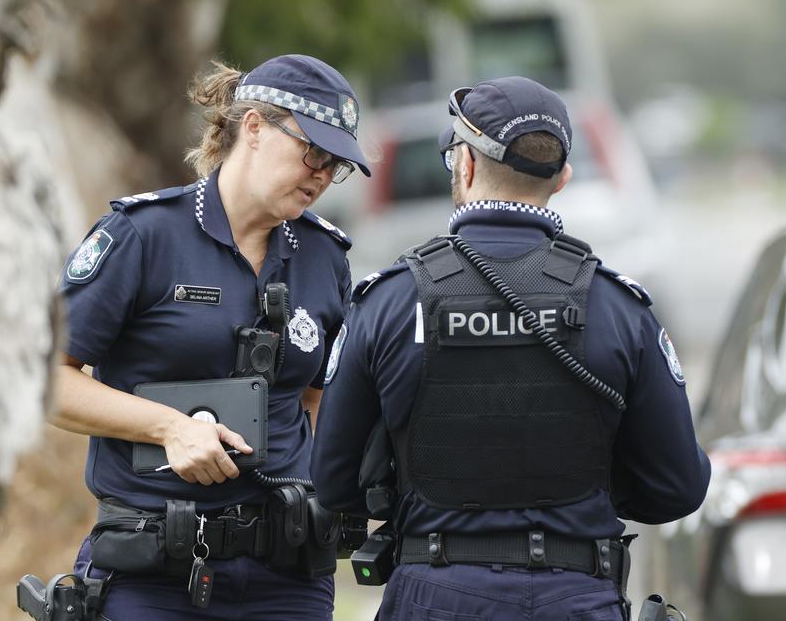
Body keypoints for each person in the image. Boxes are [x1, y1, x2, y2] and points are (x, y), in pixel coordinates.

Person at [312, 76, 710, 620]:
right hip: (577, 597)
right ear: (563, 177)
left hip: (434, 597)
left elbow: (334, 482)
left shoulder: (388, 302)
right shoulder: (619, 308)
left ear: (466, 167)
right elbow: (677, 489)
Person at [51, 54, 369, 620]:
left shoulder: (325, 257)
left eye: (337, 163)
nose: (322, 173)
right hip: (156, 574)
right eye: (313, 151)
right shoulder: (143, 236)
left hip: (288, 578)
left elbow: (317, 400)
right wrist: (168, 427)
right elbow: (44, 380)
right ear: (253, 127)